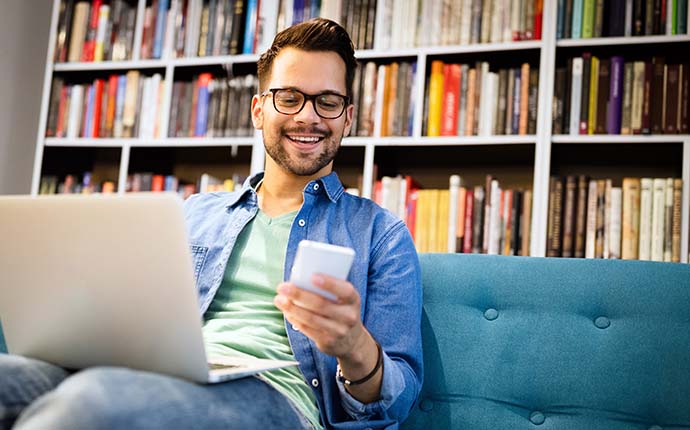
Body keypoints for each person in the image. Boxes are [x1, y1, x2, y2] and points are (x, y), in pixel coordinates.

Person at [0, 18, 422, 430]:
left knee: (91, 403)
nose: (307, 117)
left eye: (327, 102)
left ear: (346, 118)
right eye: (289, 97)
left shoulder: (380, 234)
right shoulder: (194, 212)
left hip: (277, 397)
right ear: (259, 110)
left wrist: (353, 346)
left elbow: (397, 400)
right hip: (160, 375)